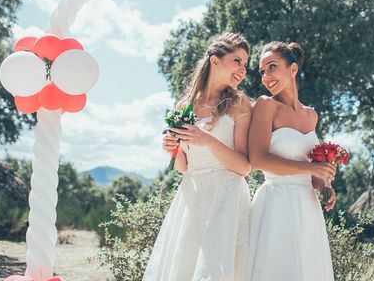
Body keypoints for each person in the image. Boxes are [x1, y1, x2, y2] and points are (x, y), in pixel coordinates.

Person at [143, 32, 253, 281]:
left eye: (245, 64)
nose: (243, 69)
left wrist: (206, 139)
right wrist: (172, 147)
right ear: (215, 60)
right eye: (237, 61)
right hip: (192, 197)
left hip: (227, 198)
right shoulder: (184, 107)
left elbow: (244, 167)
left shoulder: (240, 105)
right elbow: (183, 167)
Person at [247, 41, 336, 281]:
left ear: (293, 69)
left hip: (307, 206)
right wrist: (310, 167)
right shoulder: (266, 106)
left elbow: (314, 174)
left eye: (272, 67)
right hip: (276, 202)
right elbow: (257, 159)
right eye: (262, 71)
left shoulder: (312, 114)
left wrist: (324, 183)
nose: (266, 76)